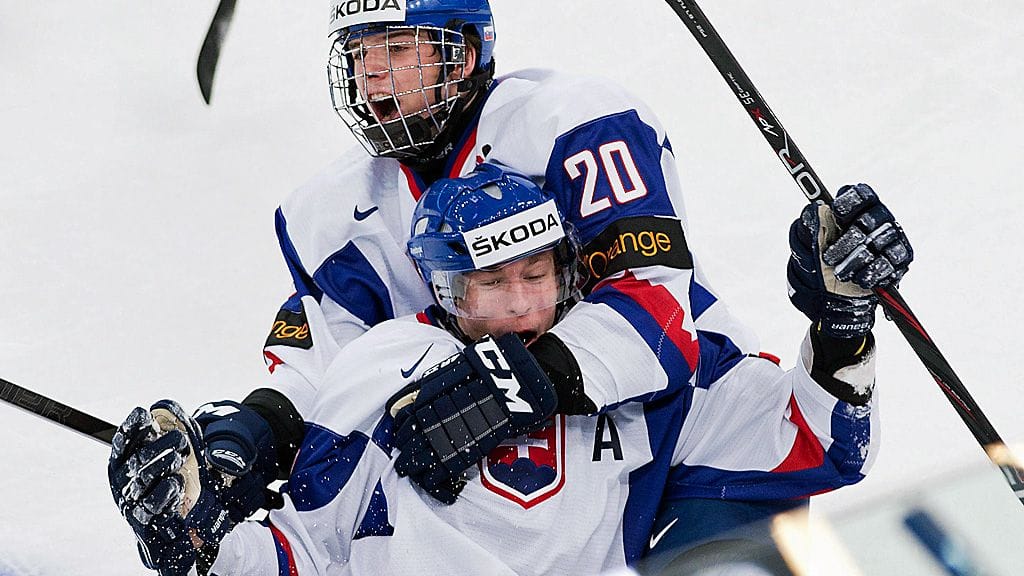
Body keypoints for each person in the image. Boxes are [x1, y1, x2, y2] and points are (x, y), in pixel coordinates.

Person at [105, 1, 914, 573]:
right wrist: (248, 438)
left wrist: (843, 327)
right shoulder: (333, 215)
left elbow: (653, 308)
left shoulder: (571, 125)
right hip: (488, 471)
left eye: (401, 50)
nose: (378, 79)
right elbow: (337, 367)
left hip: (655, 437)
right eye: (363, 56)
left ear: (462, 48)